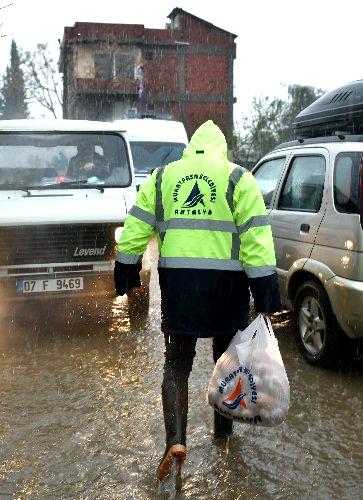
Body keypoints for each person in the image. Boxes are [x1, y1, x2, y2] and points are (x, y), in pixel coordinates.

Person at [113, 120, 281, 490]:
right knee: (228, 364)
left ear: (191, 148)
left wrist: (126, 271)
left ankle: (176, 440)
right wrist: (267, 296)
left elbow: (136, 227)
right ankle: (223, 439)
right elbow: (256, 240)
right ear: (223, 149)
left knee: (176, 365)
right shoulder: (239, 179)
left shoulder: (161, 178)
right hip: (227, 292)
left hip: (180, 293)